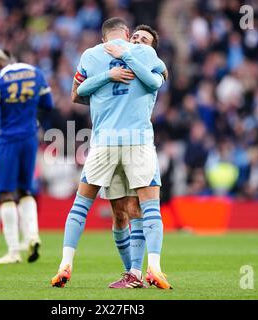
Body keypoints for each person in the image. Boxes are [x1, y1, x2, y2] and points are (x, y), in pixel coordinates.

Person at [51, 18, 171, 289]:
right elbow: (159, 78)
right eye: (136, 37)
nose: (138, 41)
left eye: (144, 39)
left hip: (105, 142)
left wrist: (106, 77)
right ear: (127, 35)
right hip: (135, 142)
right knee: (136, 209)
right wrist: (113, 73)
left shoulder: (91, 55)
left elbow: (76, 93)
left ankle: (67, 264)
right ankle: (147, 268)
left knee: (85, 205)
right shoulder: (146, 54)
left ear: (105, 38)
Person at [0, 49, 54, 264]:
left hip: (7, 139)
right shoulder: (36, 72)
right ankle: (33, 235)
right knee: (25, 190)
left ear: (0, 63)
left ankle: (13, 251)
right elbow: (48, 105)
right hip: (30, 137)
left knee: (5, 193)